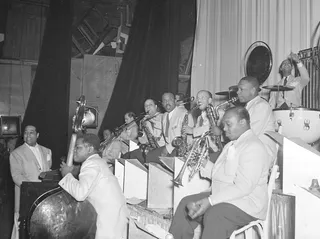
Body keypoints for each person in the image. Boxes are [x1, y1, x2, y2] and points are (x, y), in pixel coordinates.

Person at [168, 106, 269, 239]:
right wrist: (202, 162)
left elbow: (244, 187)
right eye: (224, 125)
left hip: (247, 203)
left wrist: (210, 201)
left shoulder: (253, 146)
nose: (224, 129)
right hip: (227, 196)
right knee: (186, 204)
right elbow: (221, 174)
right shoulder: (231, 145)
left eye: (228, 124)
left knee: (216, 214)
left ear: (243, 122)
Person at [59, 134, 128, 239]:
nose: (74, 151)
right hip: (113, 216)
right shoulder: (96, 162)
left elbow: (80, 193)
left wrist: (66, 176)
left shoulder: (91, 163)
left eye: (78, 147)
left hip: (109, 219)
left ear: (90, 149)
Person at [10, 125, 52, 239]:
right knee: (23, 229)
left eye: (31, 132)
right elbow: (16, 176)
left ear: (37, 135)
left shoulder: (47, 151)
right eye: (25, 132)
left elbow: (47, 172)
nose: (28, 135)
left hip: (43, 198)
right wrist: (33, 188)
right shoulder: (16, 153)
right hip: (26, 196)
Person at [237, 76, 277, 165]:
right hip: (251, 151)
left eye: (241, 89)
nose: (237, 92)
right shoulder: (249, 106)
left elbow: (250, 134)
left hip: (261, 155)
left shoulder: (261, 106)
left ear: (252, 90)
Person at [146, 92, 194, 163]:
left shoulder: (184, 113)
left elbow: (184, 138)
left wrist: (167, 149)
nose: (167, 103)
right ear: (162, 104)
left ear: (175, 101)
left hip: (180, 149)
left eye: (169, 100)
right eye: (164, 101)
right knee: (149, 156)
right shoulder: (164, 115)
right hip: (169, 147)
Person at [184, 90, 223, 163]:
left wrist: (193, 131)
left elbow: (214, 128)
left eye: (202, 97)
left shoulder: (219, 112)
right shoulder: (199, 118)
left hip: (216, 152)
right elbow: (198, 137)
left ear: (210, 100)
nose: (199, 100)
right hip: (204, 152)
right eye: (198, 98)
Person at [122, 99, 165, 164]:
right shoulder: (144, 121)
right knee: (127, 156)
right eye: (146, 106)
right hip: (150, 148)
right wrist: (141, 133)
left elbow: (157, 135)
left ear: (156, 106)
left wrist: (149, 124)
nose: (148, 107)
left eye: (150, 105)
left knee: (133, 155)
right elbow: (143, 141)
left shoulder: (163, 117)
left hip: (161, 148)